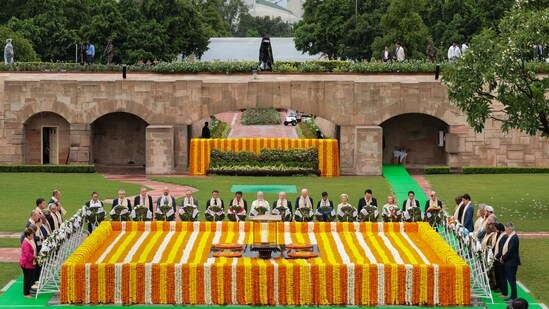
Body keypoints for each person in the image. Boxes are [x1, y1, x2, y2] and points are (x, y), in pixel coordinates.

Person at [500, 222, 521, 302]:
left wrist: (503, 258)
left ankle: (514, 297)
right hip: (509, 261)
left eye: (506, 229)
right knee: (510, 279)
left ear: (509, 229)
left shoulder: (514, 238)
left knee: (512, 280)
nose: (505, 230)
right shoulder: (511, 236)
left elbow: (510, 250)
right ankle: (512, 296)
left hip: (511, 262)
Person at [20, 228, 37, 298]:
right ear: (27, 235)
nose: (33, 236)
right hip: (26, 263)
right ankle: (26, 293)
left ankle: (28, 290)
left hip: (29, 263)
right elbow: (28, 255)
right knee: (27, 278)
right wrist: (35, 258)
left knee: (29, 278)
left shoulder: (29, 241)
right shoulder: (26, 243)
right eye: (31, 235)